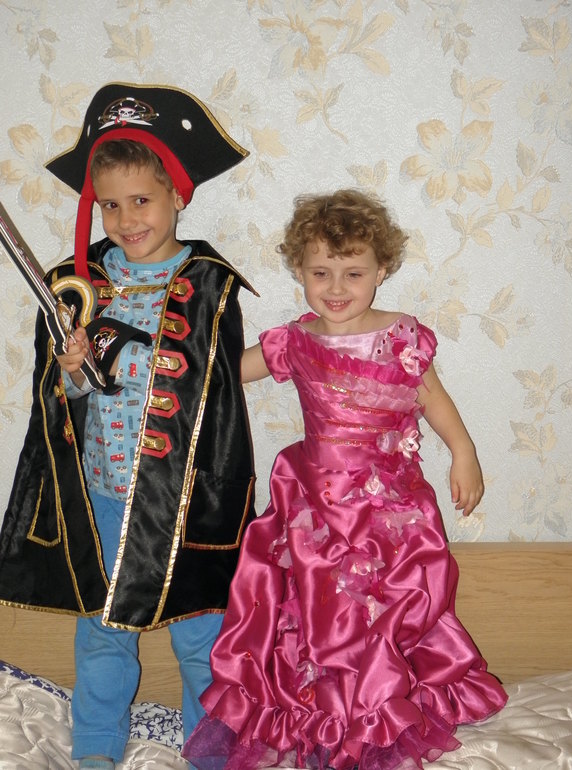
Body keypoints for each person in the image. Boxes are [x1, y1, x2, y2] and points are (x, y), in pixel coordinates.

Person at [182, 189, 508, 770]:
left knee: (383, 611)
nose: (336, 287)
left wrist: (464, 452)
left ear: (381, 271)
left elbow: (431, 398)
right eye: (320, 273)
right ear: (300, 273)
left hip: (388, 513)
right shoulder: (295, 340)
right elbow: (224, 371)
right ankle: (321, 719)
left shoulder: (402, 337)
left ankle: (382, 711)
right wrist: (179, 352)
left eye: (353, 273)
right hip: (314, 505)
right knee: (315, 614)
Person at [0, 83, 257, 769]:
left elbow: (217, 391)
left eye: (141, 200)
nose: (124, 218)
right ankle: (95, 750)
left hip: (186, 502)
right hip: (102, 493)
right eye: (109, 205)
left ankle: (211, 752)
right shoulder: (76, 283)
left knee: (202, 638)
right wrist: (74, 368)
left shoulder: (209, 284)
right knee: (102, 634)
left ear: (177, 196)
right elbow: (63, 400)